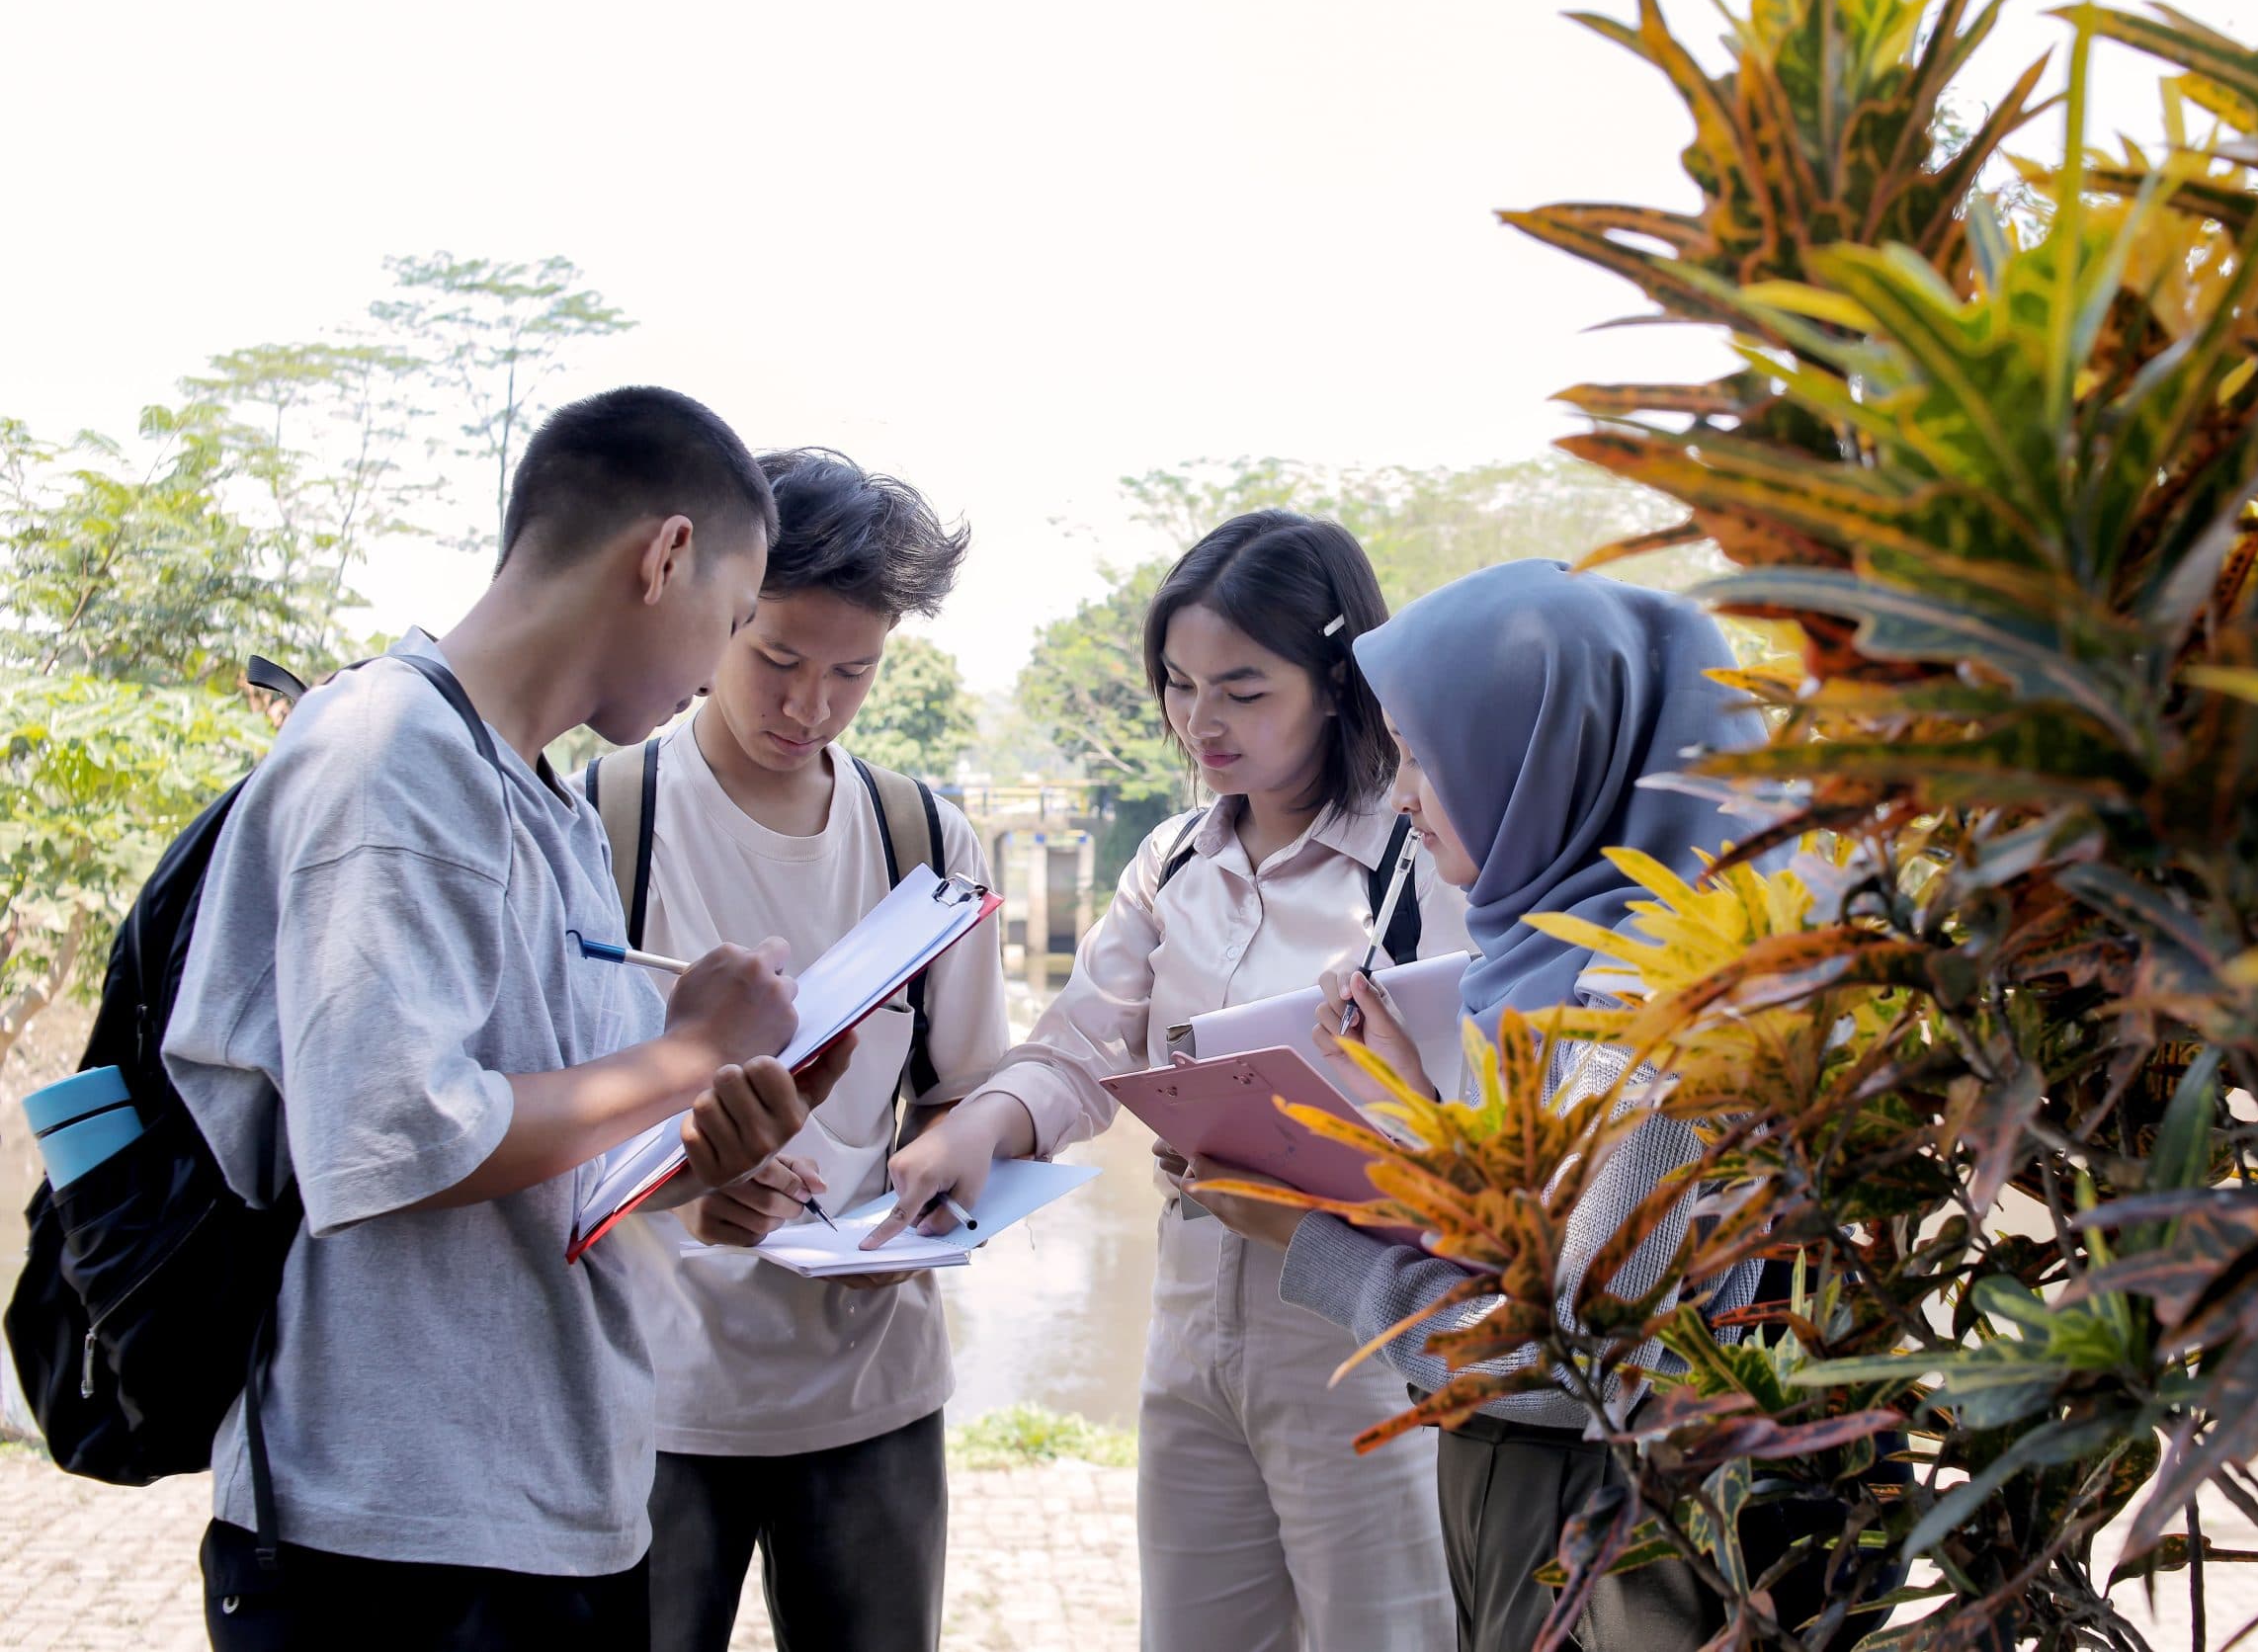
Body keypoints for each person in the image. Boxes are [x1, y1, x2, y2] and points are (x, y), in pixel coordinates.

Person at [163, 386, 854, 1650]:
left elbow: (545, 1139)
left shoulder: (545, 805)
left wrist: (706, 1168)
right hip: (397, 1534)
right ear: (667, 556)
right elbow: (397, 1136)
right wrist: (689, 1049)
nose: (720, 662)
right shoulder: (387, 756)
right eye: (738, 619)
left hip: (550, 1501)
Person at [876, 510, 1464, 1651]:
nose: (1202, 723)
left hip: (1361, 1339)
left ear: (1339, 684)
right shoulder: (1175, 860)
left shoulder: (1420, 864)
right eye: (1180, 685)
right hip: (1192, 1323)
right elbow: (1078, 1047)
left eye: (1244, 690)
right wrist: (981, 1127)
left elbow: (1486, 1124)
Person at [1196, 559, 1773, 1652]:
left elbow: (1571, 1365)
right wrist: (1405, 1092)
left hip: (1613, 1545)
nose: (1403, 797)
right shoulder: (1565, 958)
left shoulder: (1651, 1010)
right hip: (1547, 1522)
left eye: (1425, 757)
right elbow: (1549, 1240)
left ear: (1543, 761)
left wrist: (1310, 1242)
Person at [602, 449, 1002, 1652]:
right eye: (775, 657)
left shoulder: (924, 840)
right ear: (720, 611)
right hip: (654, 1393)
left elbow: (966, 1093)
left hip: (872, 1388)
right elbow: (544, 1122)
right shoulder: (605, 823)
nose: (807, 705)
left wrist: (936, 1191)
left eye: (852, 673)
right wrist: (683, 1183)